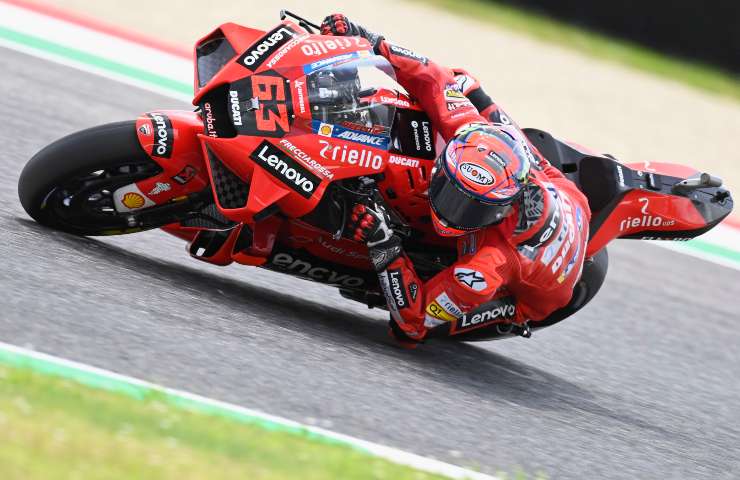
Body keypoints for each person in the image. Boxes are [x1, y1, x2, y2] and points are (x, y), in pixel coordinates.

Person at [322, 14, 593, 346]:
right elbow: (433, 78)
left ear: (499, 210)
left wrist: (384, 244)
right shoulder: (472, 135)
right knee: (461, 82)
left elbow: (412, 325)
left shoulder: (488, 265)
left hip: (538, 296)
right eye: (451, 191)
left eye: (468, 207)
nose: (450, 210)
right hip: (564, 190)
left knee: (428, 320)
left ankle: (510, 314)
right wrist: (367, 39)